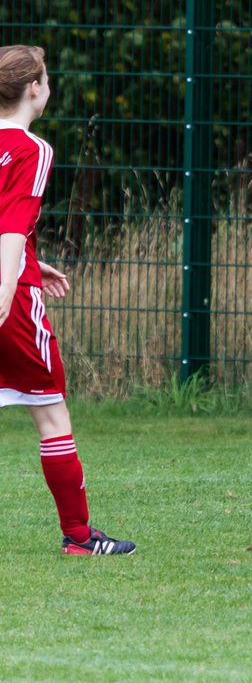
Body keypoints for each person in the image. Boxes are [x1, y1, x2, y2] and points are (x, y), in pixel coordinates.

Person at [0, 45, 135, 555]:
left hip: (14, 271)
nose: (50, 86)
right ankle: (80, 538)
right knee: (52, 416)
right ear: (34, 89)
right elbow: (10, 222)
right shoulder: (35, 149)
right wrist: (11, 282)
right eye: (48, 79)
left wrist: (32, 259)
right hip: (10, 298)